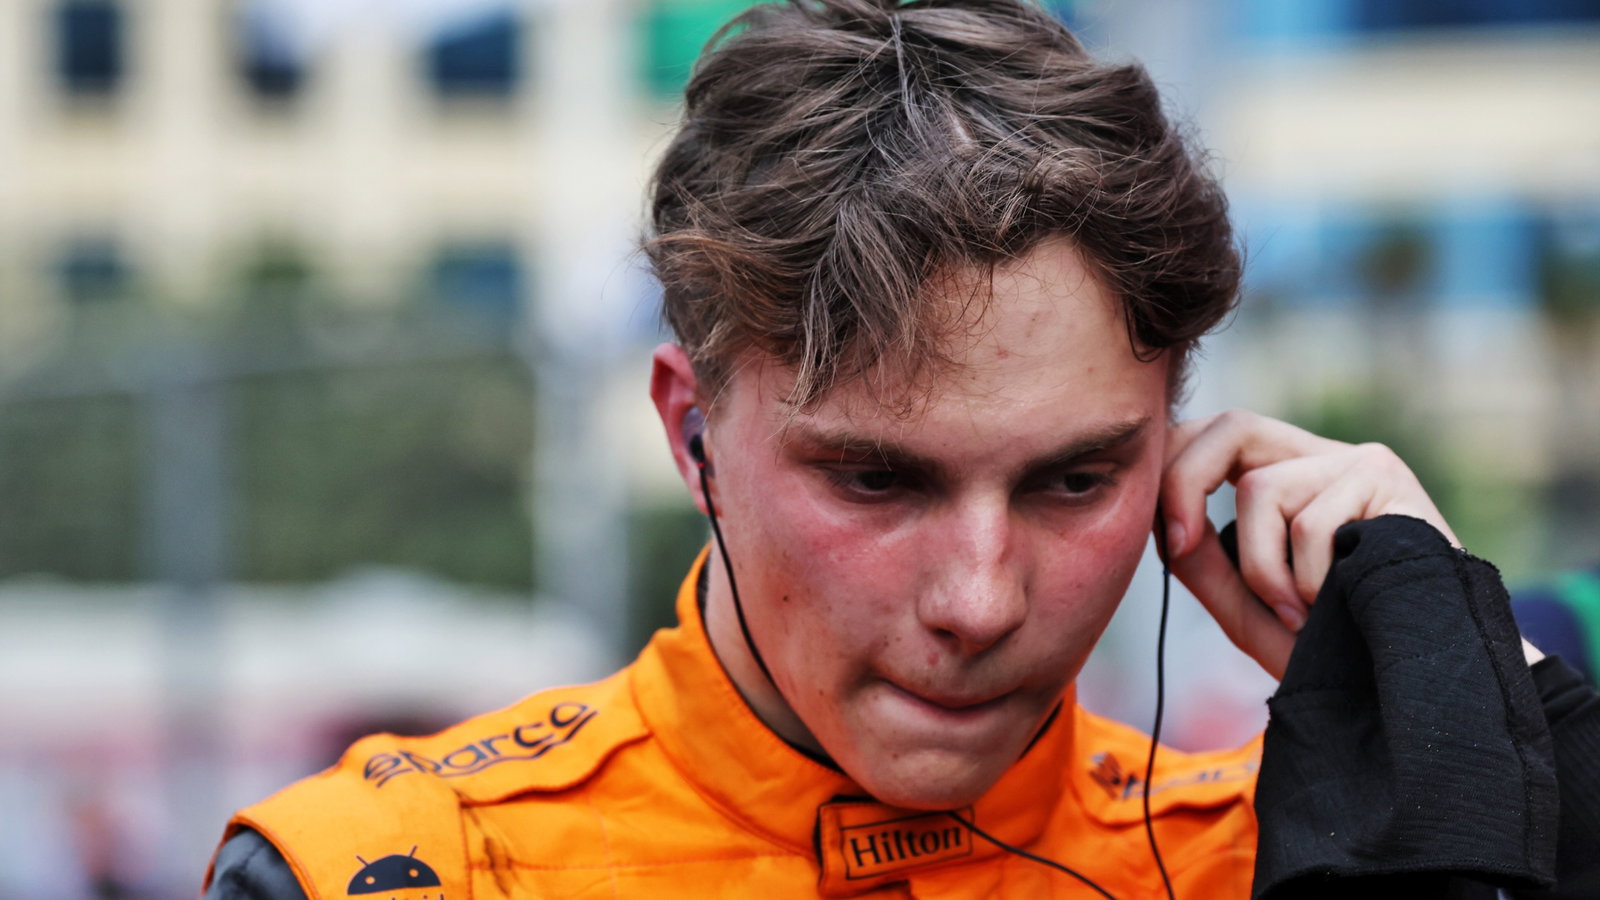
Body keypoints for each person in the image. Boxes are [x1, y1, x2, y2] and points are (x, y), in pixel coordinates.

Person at [203, 1, 1600, 897]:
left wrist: (1517, 722)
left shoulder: (1283, 858)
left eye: (1074, 478)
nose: (980, 598)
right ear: (691, 432)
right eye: (878, 478)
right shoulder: (386, 873)